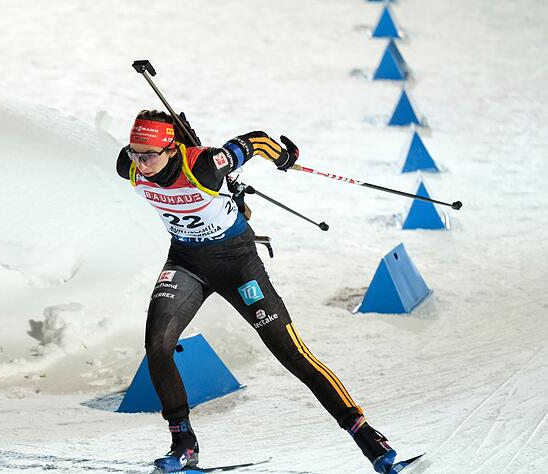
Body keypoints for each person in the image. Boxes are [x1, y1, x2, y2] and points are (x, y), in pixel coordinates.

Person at [115, 110, 399, 473]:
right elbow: (140, 162)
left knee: (291, 353)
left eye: (149, 155)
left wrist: (282, 158)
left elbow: (256, 140)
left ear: (171, 149)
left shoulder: (205, 166)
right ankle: (183, 444)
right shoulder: (128, 165)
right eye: (135, 153)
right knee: (158, 345)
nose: (141, 163)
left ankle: (368, 438)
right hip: (186, 261)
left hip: (236, 263)